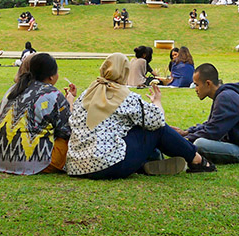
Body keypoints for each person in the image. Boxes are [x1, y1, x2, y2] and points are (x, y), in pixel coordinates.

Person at [65, 53, 215, 179]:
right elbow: (158, 122)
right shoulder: (124, 97)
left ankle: (148, 162)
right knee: (155, 129)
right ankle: (197, 160)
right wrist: (157, 102)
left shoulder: (87, 94)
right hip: (107, 166)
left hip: (76, 166)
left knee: (132, 125)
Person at [0, 52, 75, 175]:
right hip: (30, 161)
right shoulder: (53, 94)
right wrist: (70, 103)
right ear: (51, 76)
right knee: (69, 141)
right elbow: (67, 130)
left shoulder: (13, 89)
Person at [183, 63, 239, 164]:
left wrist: (185, 140)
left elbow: (212, 132)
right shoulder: (223, 95)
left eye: (197, 85)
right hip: (236, 144)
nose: (195, 89)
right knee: (198, 141)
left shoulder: (225, 98)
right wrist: (187, 132)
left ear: (208, 83)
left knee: (199, 144)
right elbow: (211, 124)